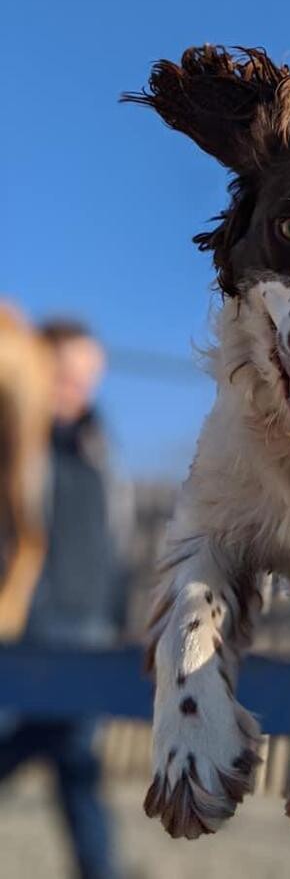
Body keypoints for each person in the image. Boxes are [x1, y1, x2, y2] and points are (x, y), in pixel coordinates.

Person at [0, 319, 126, 879]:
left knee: (77, 764)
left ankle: (100, 871)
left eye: (88, 376)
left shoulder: (99, 445)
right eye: (66, 373)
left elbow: (114, 540)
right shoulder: (16, 448)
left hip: (90, 630)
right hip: (24, 628)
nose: (78, 387)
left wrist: (118, 616)